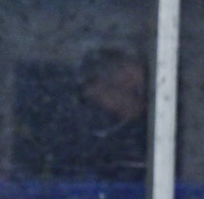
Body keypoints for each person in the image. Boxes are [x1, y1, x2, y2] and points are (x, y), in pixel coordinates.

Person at [49, 46, 149, 182]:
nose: (140, 102)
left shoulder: (151, 129)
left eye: (141, 91)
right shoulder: (75, 129)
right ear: (97, 87)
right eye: (131, 92)